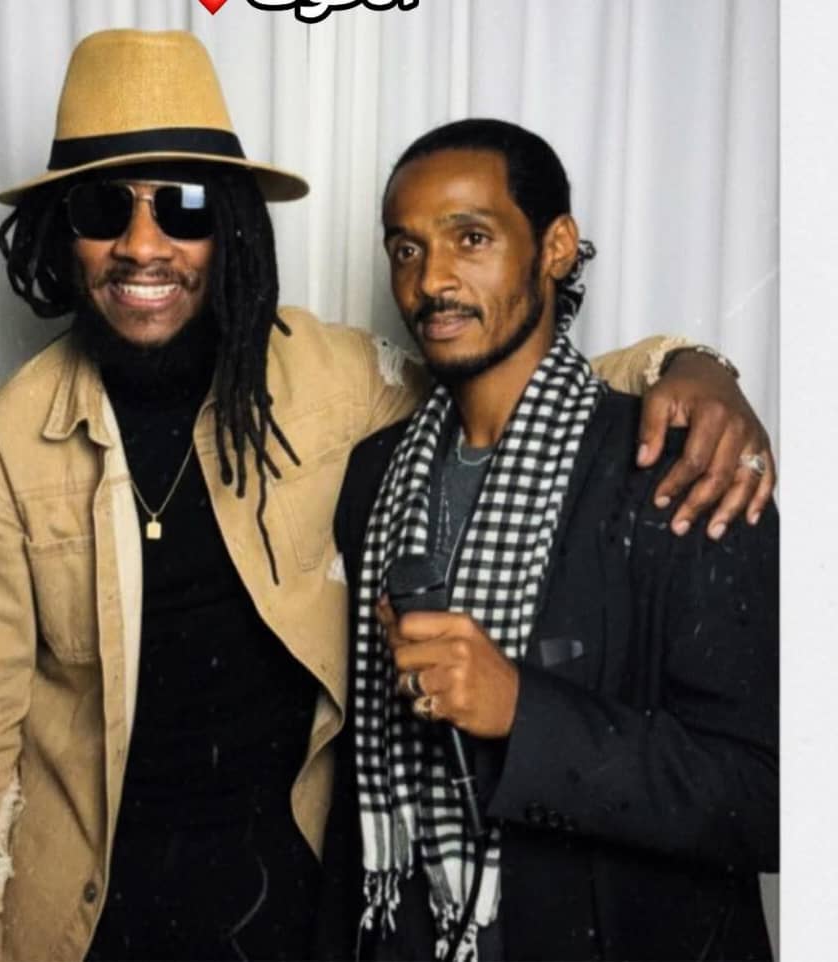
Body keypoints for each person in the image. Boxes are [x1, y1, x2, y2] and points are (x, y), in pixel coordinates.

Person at [0, 30, 775, 962]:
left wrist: (691, 368)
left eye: (183, 207)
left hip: (303, 915)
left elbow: (505, 384)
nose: (143, 245)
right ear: (63, 234)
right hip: (98, 923)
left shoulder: (335, 382)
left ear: (228, 223)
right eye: (103, 206)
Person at [324, 119, 777, 961]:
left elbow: (769, 793)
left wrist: (522, 713)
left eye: (471, 238)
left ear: (556, 247)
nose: (432, 280)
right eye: (407, 249)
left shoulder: (682, 466)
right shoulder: (374, 474)